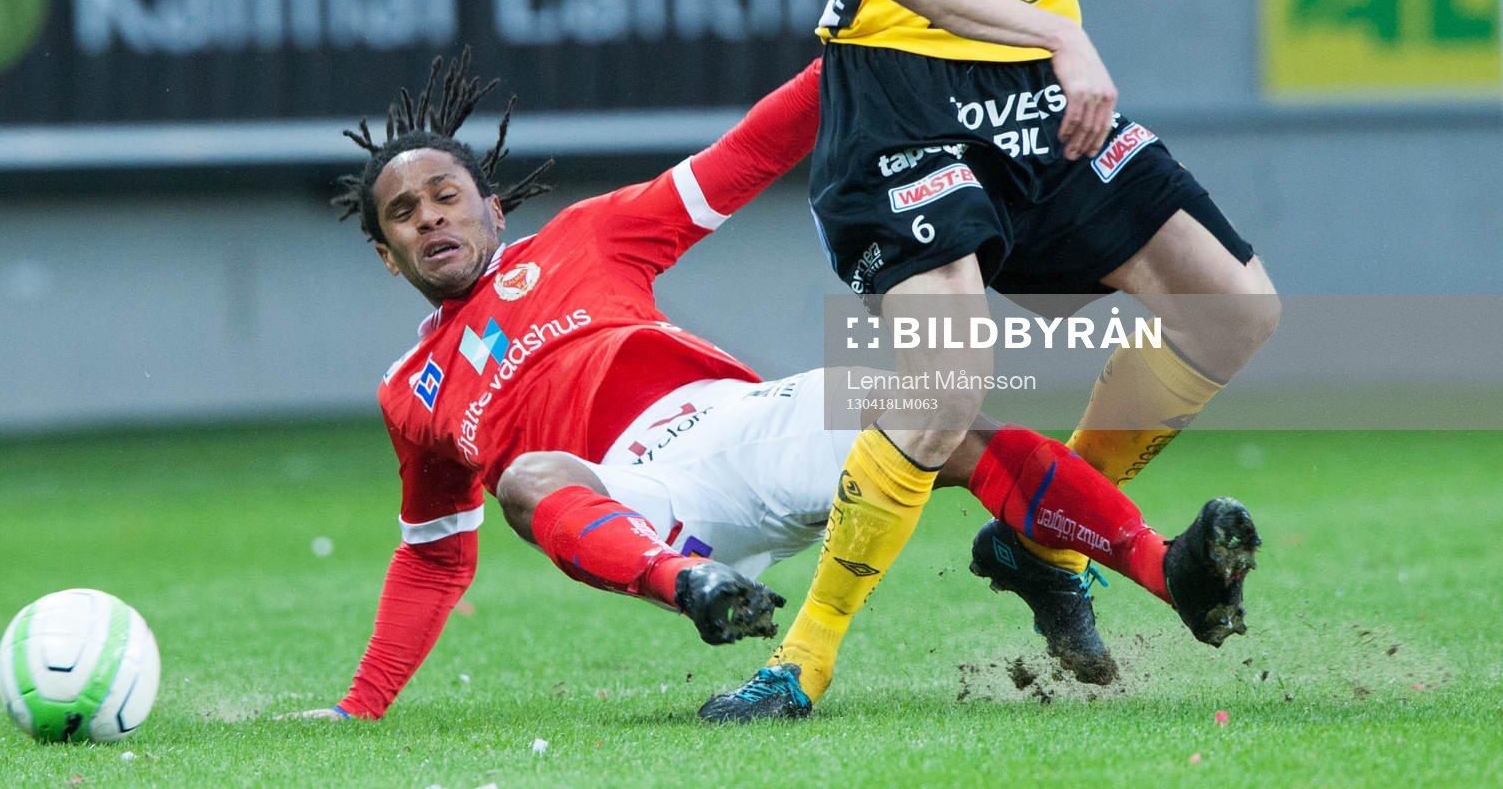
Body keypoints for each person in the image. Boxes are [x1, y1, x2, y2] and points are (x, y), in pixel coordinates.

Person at [701, 0, 1277, 722]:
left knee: (1231, 307)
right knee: (947, 371)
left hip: (1021, 84)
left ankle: (1041, 542)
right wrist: (1066, 37)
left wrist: (1043, 44)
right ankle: (797, 662)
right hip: (901, 80)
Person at [292, 50, 1258, 723]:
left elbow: (750, 152)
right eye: (404, 215)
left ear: (491, 205)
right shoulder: (409, 391)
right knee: (526, 478)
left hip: (730, 428)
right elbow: (431, 560)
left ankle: (1165, 569)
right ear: (388, 256)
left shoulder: (586, 236)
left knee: (939, 412)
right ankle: (704, 593)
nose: (430, 218)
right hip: (631, 498)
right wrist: (357, 706)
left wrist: (855, 48)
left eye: (445, 194)